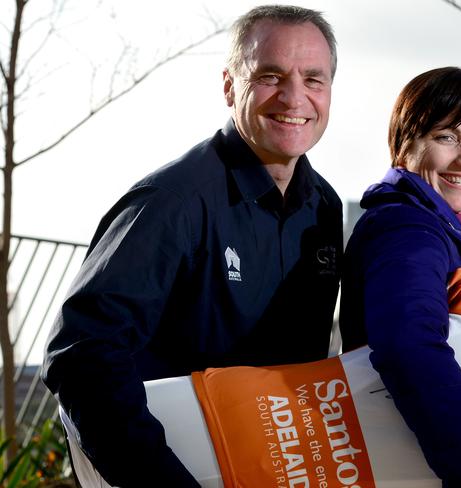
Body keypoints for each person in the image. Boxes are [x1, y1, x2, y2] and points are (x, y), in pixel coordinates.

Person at [42, 5, 342, 487]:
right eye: (270, 75)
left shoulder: (325, 208)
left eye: (314, 79)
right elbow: (81, 354)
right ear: (230, 85)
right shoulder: (173, 201)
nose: (294, 96)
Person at [339, 67, 461, 487]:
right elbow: (409, 348)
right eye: (446, 137)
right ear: (404, 145)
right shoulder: (408, 227)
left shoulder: (448, 227)